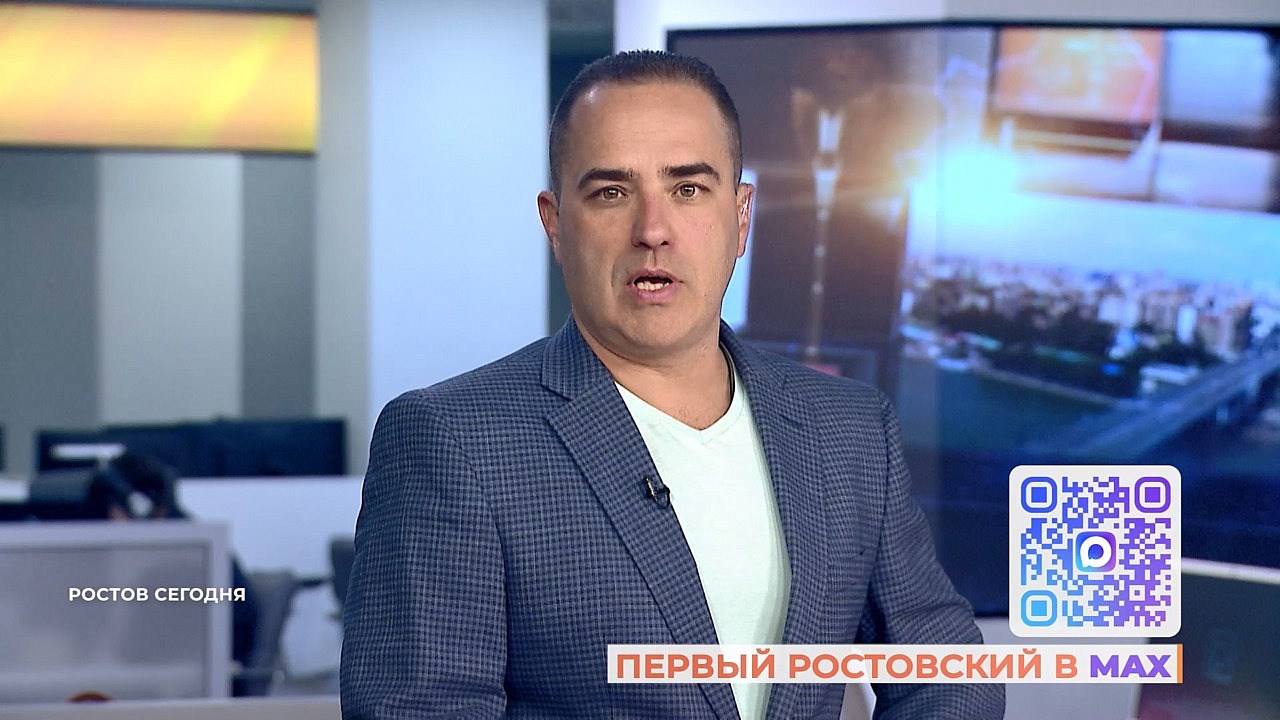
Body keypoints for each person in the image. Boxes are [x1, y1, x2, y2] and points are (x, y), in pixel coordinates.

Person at [340, 50, 1005, 719]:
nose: (652, 231)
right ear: (555, 224)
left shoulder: (850, 429)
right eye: (611, 193)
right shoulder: (452, 441)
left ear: (740, 217)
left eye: (688, 189)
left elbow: (948, 675)